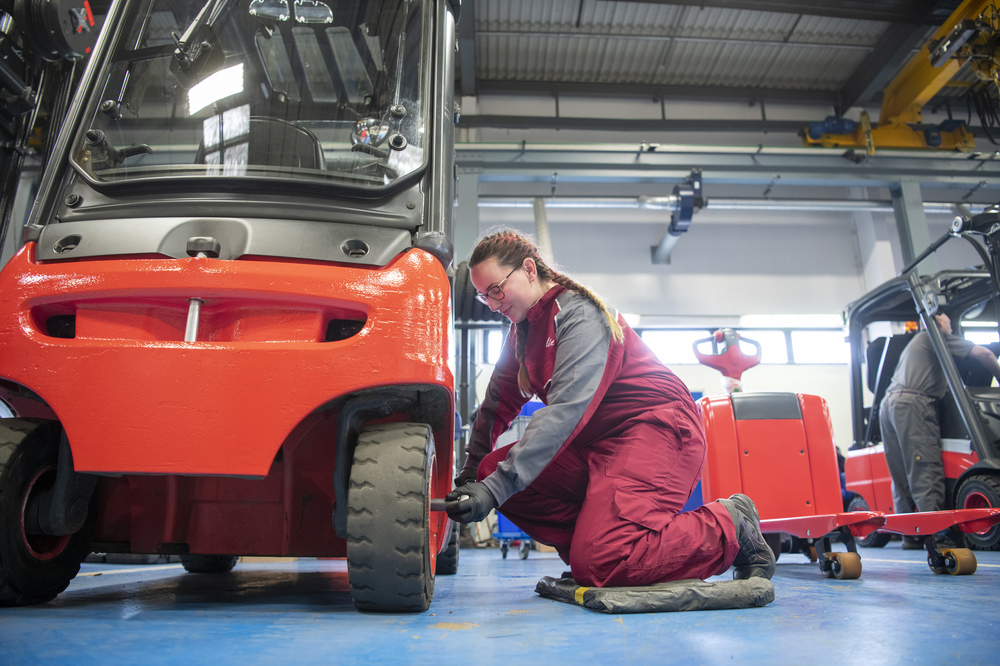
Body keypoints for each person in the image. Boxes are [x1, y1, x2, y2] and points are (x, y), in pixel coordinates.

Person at [445, 229, 775, 587]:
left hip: (657, 428)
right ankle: (596, 552)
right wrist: (470, 475)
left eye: (496, 290)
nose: (493, 304)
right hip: (599, 445)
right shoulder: (522, 334)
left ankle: (729, 524)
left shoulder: (579, 315)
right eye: (483, 297)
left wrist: (494, 490)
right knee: (492, 470)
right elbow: (495, 407)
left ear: (528, 269)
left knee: (602, 561)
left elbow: (566, 411)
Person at [879, 313, 1000, 547]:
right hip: (913, 405)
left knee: (902, 473)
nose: (950, 324)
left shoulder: (918, 345)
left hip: (891, 403)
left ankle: (911, 535)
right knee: (925, 468)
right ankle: (938, 536)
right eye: (947, 321)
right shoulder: (934, 336)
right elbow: (985, 354)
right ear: (937, 323)